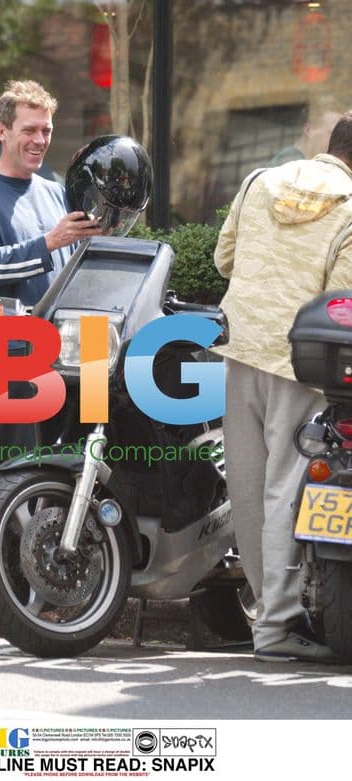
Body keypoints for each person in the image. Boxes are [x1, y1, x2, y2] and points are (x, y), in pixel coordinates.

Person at [0, 79, 102, 634]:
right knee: (9, 475)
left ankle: (55, 588)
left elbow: (76, 266)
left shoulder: (56, 190)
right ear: (2, 131)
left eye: (47, 130)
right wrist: (51, 242)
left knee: (72, 470)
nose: (39, 140)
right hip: (10, 346)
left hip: (75, 348)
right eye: (29, 130)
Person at [214, 111, 352, 662]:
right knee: (285, 491)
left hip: (240, 351)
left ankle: (264, 617)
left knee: (246, 489)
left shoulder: (258, 181)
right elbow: (341, 302)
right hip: (303, 362)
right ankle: (275, 628)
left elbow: (226, 258)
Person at [268, 104, 341, 167]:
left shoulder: (302, 163)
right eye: (334, 133)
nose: (339, 141)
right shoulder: (288, 165)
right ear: (308, 130)